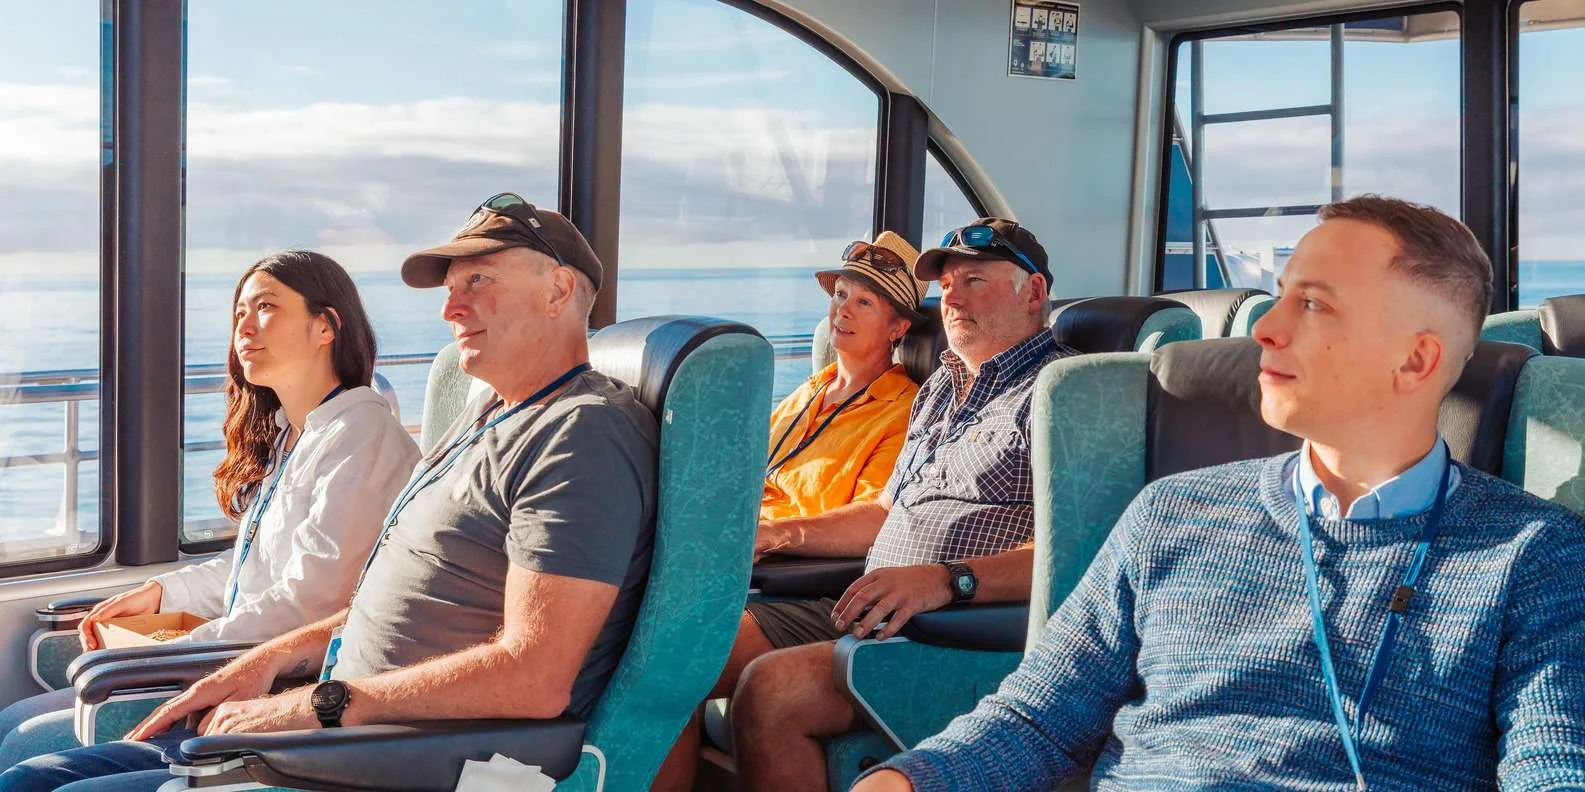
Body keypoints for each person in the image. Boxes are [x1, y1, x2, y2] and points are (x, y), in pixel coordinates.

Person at [853, 196, 1585, 791]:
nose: (1264, 328)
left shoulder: (1532, 556)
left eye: (1314, 305)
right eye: (1277, 299)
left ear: (1415, 358)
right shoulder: (1168, 512)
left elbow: (1551, 766)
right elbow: (1039, 718)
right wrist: (903, 782)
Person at [0, 194, 658, 792]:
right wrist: (267, 661)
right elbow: (382, 598)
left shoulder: (579, 433)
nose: (449, 308)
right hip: (333, 727)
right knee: (36, 777)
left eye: (478, 282)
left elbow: (533, 676)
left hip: (397, 757)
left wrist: (315, 704)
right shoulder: (485, 419)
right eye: (451, 288)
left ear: (559, 290)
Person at [0, 251, 418, 767]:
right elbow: (256, 570)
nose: (244, 326)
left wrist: (173, 652)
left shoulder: (362, 436)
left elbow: (312, 601)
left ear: (326, 326)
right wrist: (162, 592)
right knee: (11, 722)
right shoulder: (296, 435)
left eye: (265, 307)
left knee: (24, 750)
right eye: (238, 312)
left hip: (277, 682)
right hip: (227, 658)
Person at [726, 218, 1077, 791]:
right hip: (874, 604)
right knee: (691, 647)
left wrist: (947, 580)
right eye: (948, 286)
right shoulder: (942, 386)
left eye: (975, 281)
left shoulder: (1060, 392)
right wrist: (779, 535)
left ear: (1033, 293)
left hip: (965, 623)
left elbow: (1076, 554)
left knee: (773, 691)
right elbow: (883, 513)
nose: (953, 299)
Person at [655, 231, 928, 790]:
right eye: (840, 295)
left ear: (899, 327)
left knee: (670, 659)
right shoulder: (809, 391)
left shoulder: (902, 410)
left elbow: (872, 523)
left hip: (814, 587)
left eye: (864, 302)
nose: (842, 311)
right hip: (747, 575)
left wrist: (771, 535)